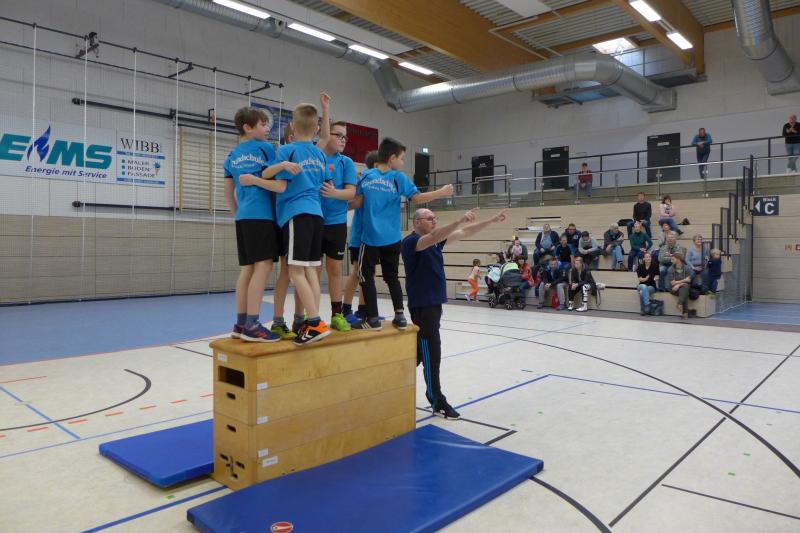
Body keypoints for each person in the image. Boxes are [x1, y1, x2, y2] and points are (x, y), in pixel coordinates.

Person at [402, 207, 508, 419]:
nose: (434, 220)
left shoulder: (435, 242)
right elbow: (434, 236)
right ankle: (436, 398)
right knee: (432, 352)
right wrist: (459, 220)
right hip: (422, 305)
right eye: (429, 218)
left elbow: (465, 232)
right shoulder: (411, 242)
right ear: (417, 222)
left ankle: (397, 376)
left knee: (421, 352)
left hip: (434, 304)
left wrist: (491, 220)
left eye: (435, 217)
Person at [351, 137, 454, 330]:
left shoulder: (369, 176)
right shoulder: (395, 177)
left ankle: (374, 318)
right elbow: (417, 198)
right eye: (401, 158)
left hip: (373, 237)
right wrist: (441, 192)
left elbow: (356, 202)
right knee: (390, 277)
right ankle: (399, 316)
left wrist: (335, 203)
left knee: (366, 276)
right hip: (389, 238)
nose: (402, 162)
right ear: (392, 158)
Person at [223, 106, 301, 343]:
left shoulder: (232, 155)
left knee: (247, 269)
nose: (267, 129)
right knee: (263, 266)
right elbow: (277, 183)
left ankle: (240, 323)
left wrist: (238, 215)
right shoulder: (266, 148)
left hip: (244, 217)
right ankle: (253, 324)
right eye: (263, 125)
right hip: (262, 215)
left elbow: (228, 192)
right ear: (248, 127)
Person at [268, 102, 335, 345]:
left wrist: (258, 178)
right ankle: (314, 320)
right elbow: (328, 184)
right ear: (316, 129)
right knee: (310, 270)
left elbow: (279, 184)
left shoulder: (287, 151)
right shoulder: (319, 154)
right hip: (317, 215)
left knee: (294, 270)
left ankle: (315, 322)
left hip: (297, 214)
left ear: (292, 127)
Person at [319, 119, 357, 332]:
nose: (343, 140)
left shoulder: (346, 162)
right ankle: (310, 316)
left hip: (336, 223)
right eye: (338, 135)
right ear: (326, 134)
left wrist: (334, 193)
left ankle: (337, 314)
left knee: (334, 269)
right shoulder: (315, 157)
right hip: (313, 222)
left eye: (345, 137)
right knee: (313, 271)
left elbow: (351, 192)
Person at [342, 150, 379, 324]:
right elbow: (355, 202)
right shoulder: (364, 181)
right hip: (360, 236)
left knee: (370, 274)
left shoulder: (381, 184)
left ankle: (364, 310)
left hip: (374, 237)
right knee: (358, 272)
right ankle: (345, 309)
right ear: (377, 165)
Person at [666, 252, 692, 320]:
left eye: (673, 259)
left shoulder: (687, 268)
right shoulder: (670, 269)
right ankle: (685, 312)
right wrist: (684, 280)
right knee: (685, 290)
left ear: (678, 259)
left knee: (684, 289)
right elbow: (672, 283)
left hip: (682, 287)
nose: (671, 261)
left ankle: (680, 305)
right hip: (673, 288)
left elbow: (689, 280)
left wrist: (678, 284)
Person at [636, 251, 659, 315]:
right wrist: (646, 279)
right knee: (643, 286)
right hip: (641, 285)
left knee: (642, 292)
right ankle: (647, 304)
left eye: (649, 257)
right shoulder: (640, 266)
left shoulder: (655, 265)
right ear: (644, 258)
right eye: (647, 257)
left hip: (651, 286)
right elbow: (640, 279)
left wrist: (656, 278)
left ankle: (642, 310)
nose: (648, 258)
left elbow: (657, 275)